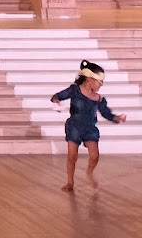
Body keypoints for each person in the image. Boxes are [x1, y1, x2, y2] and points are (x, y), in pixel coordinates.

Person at [51, 59, 126, 192]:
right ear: (89, 79)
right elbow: (58, 96)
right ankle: (70, 182)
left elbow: (107, 114)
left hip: (90, 128)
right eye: (99, 81)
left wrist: (117, 118)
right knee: (72, 156)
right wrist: (56, 101)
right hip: (74, 127)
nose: (101, 85)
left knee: (94, 155)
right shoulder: (74, 90)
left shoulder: (99, 99)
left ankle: (89, 173)